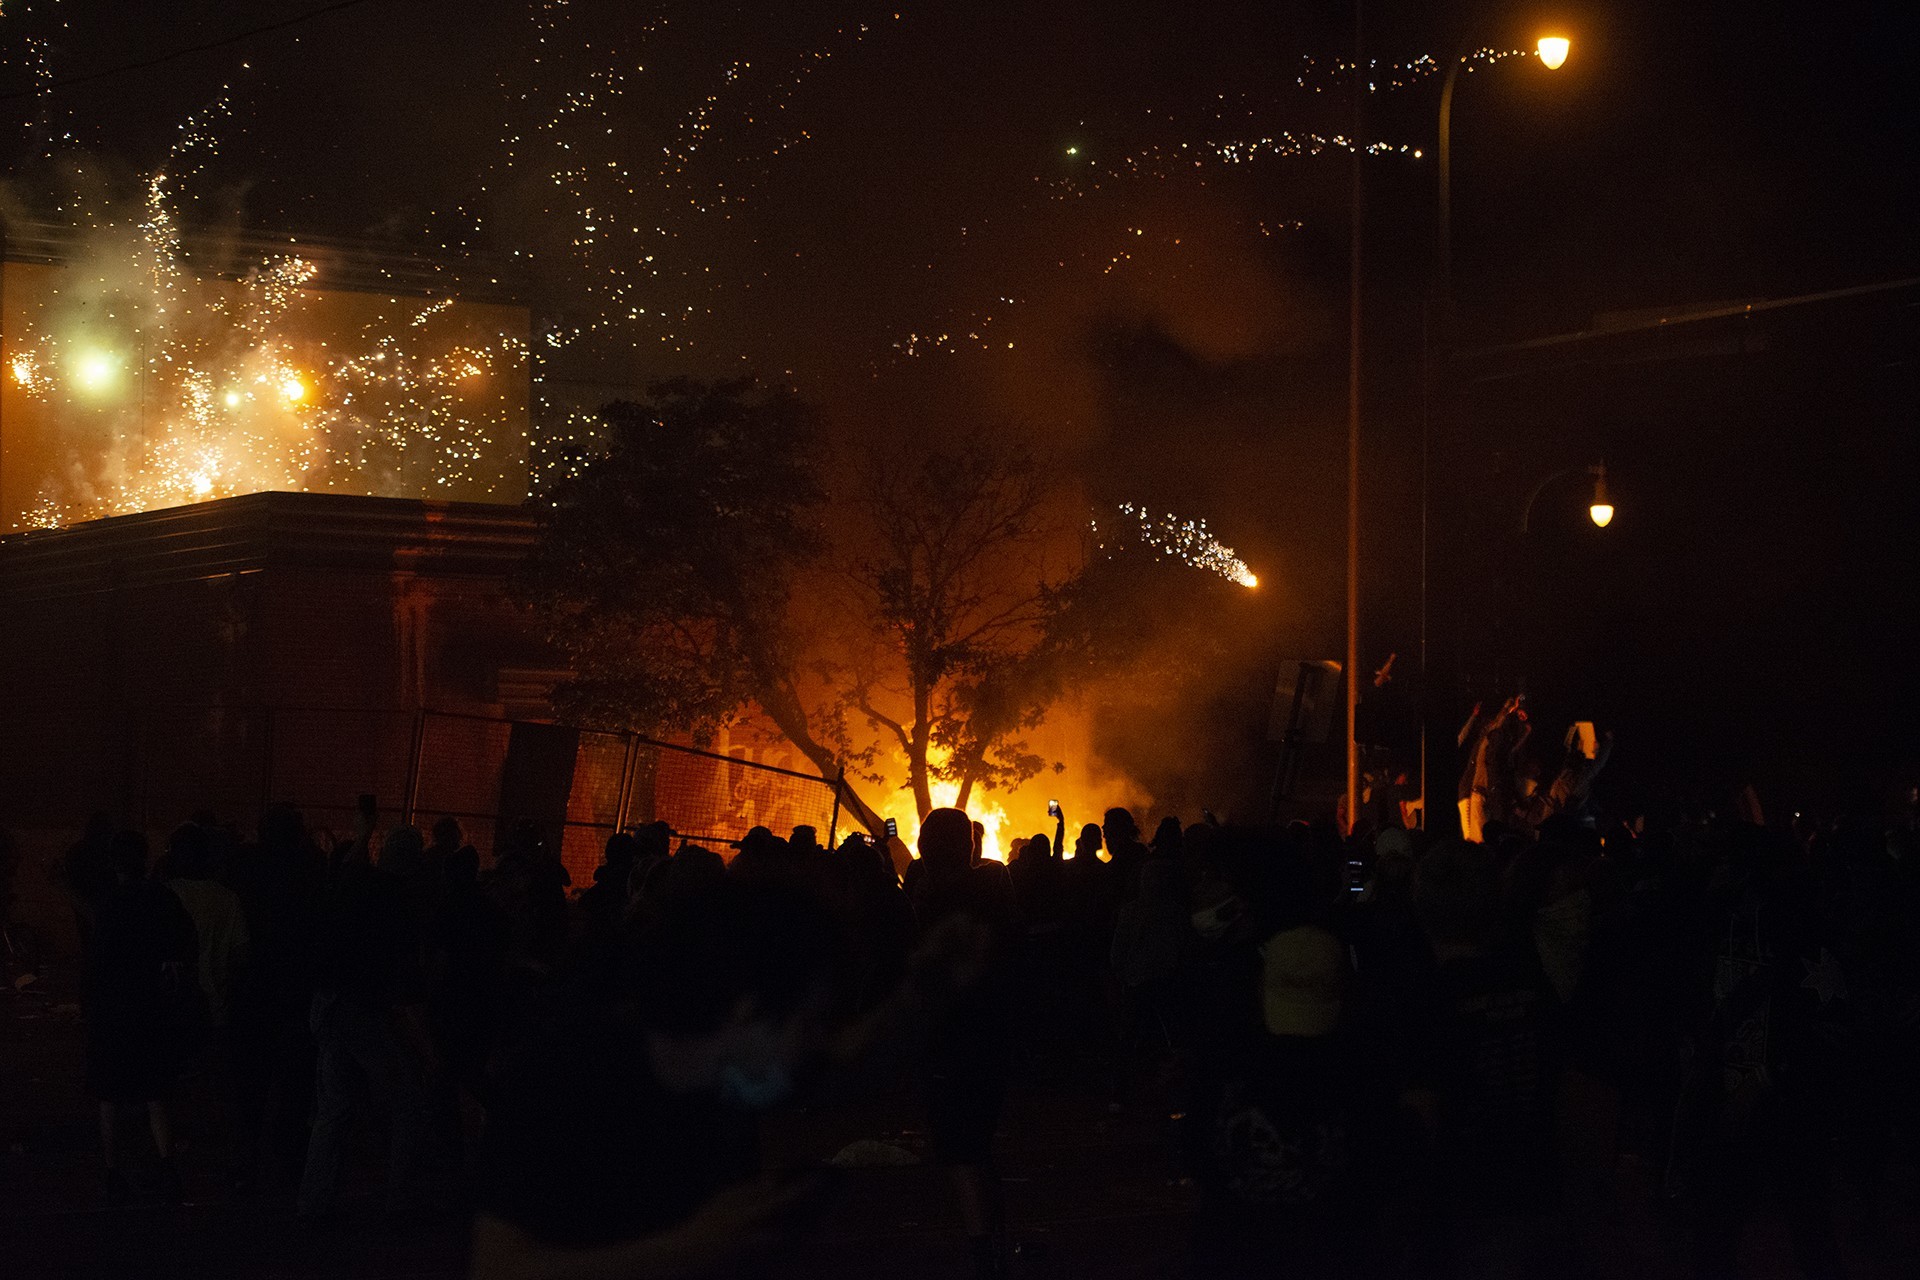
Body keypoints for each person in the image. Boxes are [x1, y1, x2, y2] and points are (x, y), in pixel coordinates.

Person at [470, 878, 844, 1280]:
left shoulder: (718, 1100)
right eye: (810, 1020)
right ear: (748, 1011)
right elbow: (497, 1268)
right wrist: (690, 1247)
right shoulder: (567, 1081)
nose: (816, 1041)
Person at [298, 825, 437, 1221]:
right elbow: (407, 991)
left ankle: (314, 1201)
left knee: (333, 1108)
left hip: (327, 1005)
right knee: (409, 1098)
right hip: (359, 1012)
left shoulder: (353, 882)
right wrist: (429, 1052)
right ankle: (398, 1196)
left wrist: (362, 829)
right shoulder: (401, 906)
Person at [911, 807, 1019, 1279]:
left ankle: (984, 1252)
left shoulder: (931, 903)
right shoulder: (996, 894)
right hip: (993, 1035)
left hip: (950, 1041)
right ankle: (999, 1238)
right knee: (980, 1141)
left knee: (960, 1148)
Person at [83, 830, 201, 1203]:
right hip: (152, 1008)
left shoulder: (112, 904)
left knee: (110, 1096)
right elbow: (186, 944)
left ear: (114, 864)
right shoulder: (161, 899)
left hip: (114, 1011)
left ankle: (112, 1171)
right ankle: (166, 1166)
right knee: (155, 1093)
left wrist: (91, 1008)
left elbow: (97, 962)